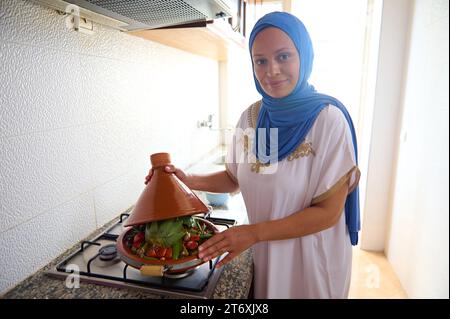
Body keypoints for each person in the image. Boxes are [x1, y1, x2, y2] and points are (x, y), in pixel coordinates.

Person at [145, 11, 360, 299]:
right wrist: (187, 180)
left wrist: (254, 233)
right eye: (261, 61)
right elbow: (236, 178)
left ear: (304, 55)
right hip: (268, 256)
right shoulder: (255, 118)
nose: (271, 70)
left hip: (313, 263)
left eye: (283, 56)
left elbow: (327, 213)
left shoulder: (328, 121)